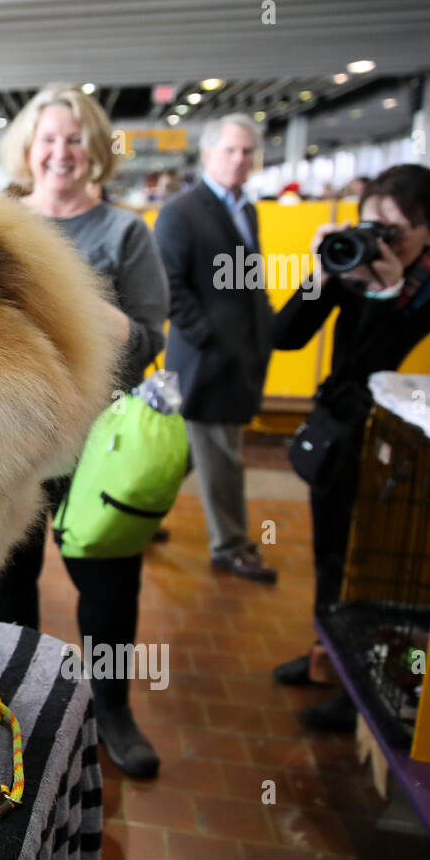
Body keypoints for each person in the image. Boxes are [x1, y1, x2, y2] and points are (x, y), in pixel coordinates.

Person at [0, 83, 170, 777]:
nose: (60, 152)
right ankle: (10, 700)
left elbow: (149, 338)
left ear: (94, 148)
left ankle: (111, 709)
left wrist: (80, 303)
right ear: (28, 149)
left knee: (108, 583)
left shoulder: (125, 233)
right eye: (47, 140)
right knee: (7, 576)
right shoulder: (2, 224)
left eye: (73, 139)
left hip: (100, 444)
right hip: (14, 435)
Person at [271, 164, 430, 730]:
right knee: (331, 558)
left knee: (378, 574)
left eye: (395, 230)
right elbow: (284, 336)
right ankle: (325, 656)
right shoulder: (349, 269)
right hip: (342, 447)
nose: (381, 241)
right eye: (370, 226)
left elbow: (381, 372)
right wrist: (321, 274)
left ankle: (364, 684)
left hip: (407, 458)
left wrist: (384, 294)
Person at [156, 114, 278, 584]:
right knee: (222, 454)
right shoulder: (182, 212)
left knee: (189, 453)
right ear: (207, 154)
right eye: (230, 150)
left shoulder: (247, 210)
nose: (239, 159)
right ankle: (232, 545)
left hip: (238, 353)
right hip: (204, 358)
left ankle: (134, 513)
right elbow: (168, 283)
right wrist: (208, 334)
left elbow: (247, 281)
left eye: (247, 151)